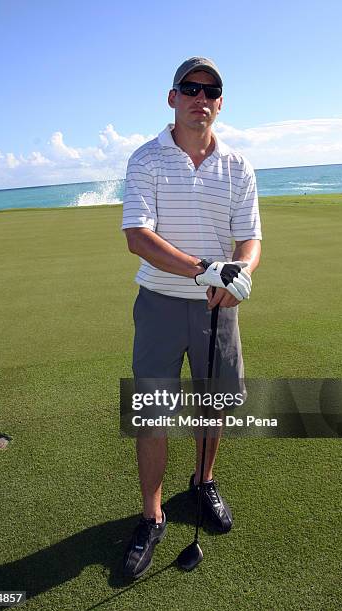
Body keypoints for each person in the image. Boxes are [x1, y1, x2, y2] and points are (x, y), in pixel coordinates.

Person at [121, 57, 262, 578]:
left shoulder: (237, 165)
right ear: (172, 98)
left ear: (220, 102)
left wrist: (240, 273)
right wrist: (204, 269)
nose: (200, 98)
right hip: (159, 303)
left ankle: (202, 483)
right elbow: (139, 237)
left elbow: (250, 237)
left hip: (217, 307)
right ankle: (153, 514)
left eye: (211, 90)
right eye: (190, 88)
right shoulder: (146, 159)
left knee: (214, 402)